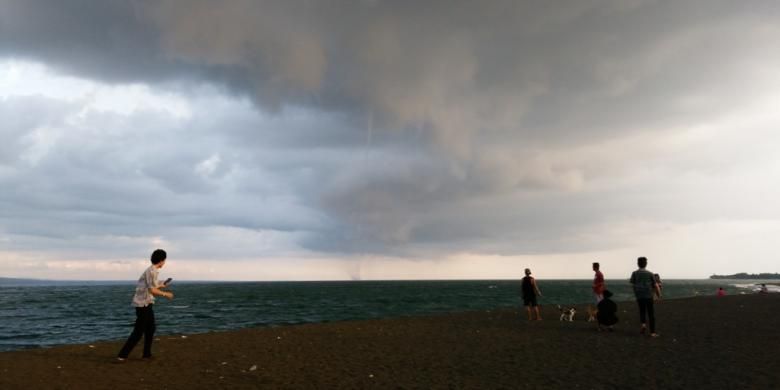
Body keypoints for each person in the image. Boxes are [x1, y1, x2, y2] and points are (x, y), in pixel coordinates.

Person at [117, 249, 174, 362]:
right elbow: (152, 290)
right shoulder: (151, 271)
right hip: (142, 304)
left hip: (147, 303)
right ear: (162, 260)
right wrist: (166, 294)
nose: (164, 262)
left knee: (151, 328)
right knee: (138, 331)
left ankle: (146, 354)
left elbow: (151, 286)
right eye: (164, 260)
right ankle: (122, 355)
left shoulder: (153, 271)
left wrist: (161, 284)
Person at [629, 257, 660, 337]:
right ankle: (652, 332)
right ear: (646, 264)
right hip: (649, 295)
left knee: (642, 311)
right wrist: (658, 295)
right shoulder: (650, 273)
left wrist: (636, 292)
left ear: (638, 264)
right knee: (651, 313)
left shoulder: (634, 273)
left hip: (639, 295)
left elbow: (632, 284)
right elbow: (655, 285)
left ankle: (643, 325)